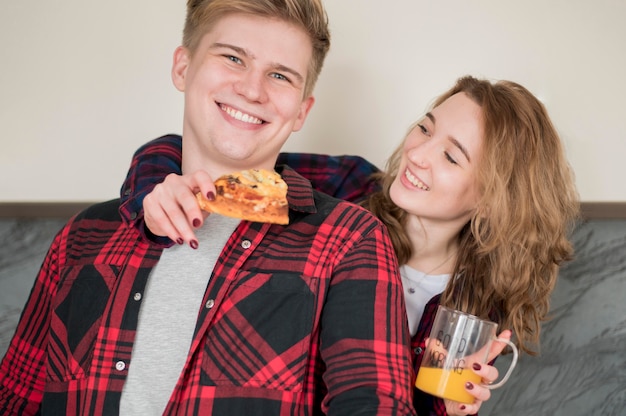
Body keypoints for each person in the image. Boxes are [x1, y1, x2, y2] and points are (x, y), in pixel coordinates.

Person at [0, 1, 417, 415]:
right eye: (233, 58)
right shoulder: (81, 238)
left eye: (279, 75)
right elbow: (14, 402)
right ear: (183, 68)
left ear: (301, 112)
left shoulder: (348, 240)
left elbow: (375, 408)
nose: (253, 90)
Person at [116, 75, 580, 415]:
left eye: (451, 156)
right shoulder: (343, 188)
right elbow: (177, 155)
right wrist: (158, 197)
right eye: (425, 128)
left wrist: (448, 412)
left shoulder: (477, 305)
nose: (417, 154)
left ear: (494, 198)